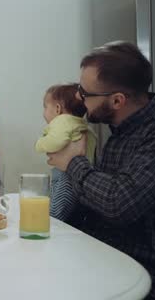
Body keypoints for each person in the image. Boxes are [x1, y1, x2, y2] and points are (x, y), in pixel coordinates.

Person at [46, 41, 155, 299]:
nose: (77, 97)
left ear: (117, 100)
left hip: (142, 278)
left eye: (84, 92)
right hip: (97, 262)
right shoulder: (118, 135)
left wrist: (72, 163)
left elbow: (119, 203)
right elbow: (93, 205)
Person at [35, 83, 97, 221]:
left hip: (66, 172)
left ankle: (51, 221)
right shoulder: (81, 124)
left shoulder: (63, 121)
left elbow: (57, 141)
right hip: (83, 172)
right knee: (70, 203)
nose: (43, 112)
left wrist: (39, 144)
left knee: (57, 209)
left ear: (57, 109)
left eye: (45, 107)